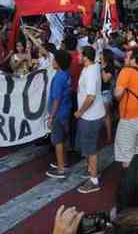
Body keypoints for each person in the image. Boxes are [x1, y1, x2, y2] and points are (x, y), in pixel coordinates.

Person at [74, 46, 106, 194]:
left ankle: (93, 180)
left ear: (85, 57)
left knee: (91, 149)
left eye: (79, 54)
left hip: (90, 116)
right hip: (91, 115)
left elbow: (91, 96)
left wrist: (80, 112)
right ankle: (91, 170)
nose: (77, 57)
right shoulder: (93, 67)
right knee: (89, 147)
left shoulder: (91, 72)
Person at [46, 50, 73, 179]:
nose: (52, 61)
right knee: (63, 139)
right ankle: (64, 162)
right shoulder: (67, 75)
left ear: (59, 62)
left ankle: (61, 169)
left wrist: (51, 116)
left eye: (54, 59)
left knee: (57, 141)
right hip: (66, 111)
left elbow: (56, 99)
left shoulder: (58, 78)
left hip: (58, 113)